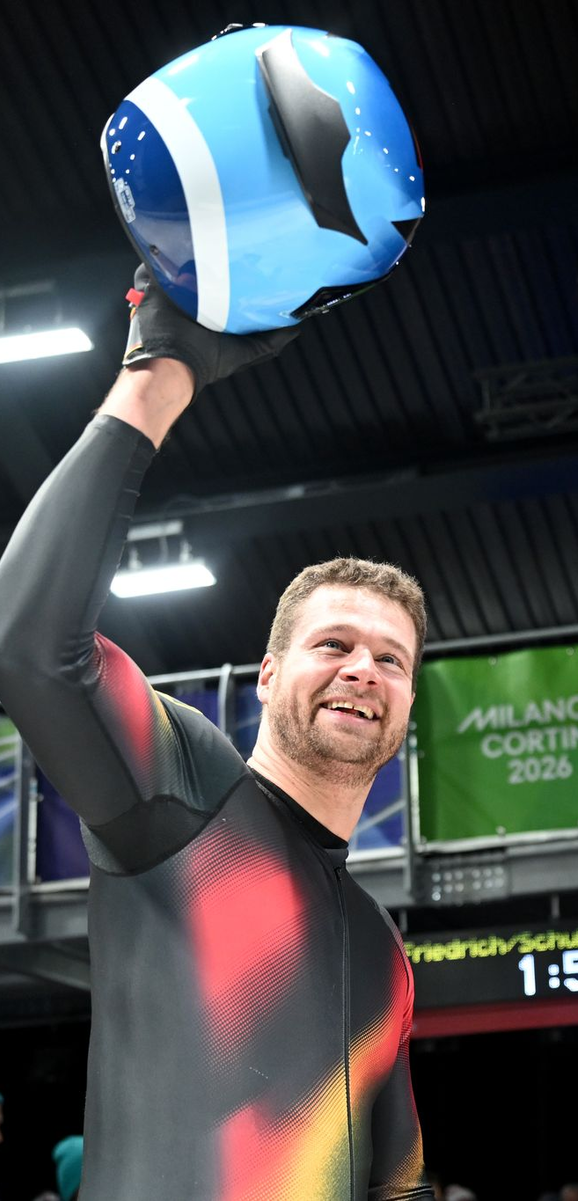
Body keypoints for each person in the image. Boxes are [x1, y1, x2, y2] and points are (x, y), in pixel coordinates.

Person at [0, 273, 433, 1200]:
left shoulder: (382, 950)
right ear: (270, 674)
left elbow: (401, 1188)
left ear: (407, 705)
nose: (364, 669)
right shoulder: (193, 788)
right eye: (334, 644)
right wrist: (160, 376)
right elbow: (31, 646)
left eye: (392, 660)